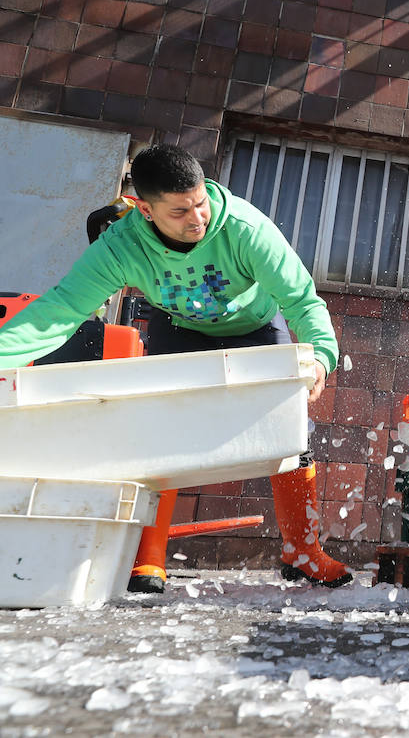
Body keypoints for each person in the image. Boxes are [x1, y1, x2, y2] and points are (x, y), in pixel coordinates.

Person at [0, 144, 352, 591]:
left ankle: (303, 553)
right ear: (145, 209)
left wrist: (321, 353)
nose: (197, 217)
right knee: (160, 434)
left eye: (201, 202)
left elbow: (302, 298)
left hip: (256, 327)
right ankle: (149, 559)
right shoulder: (121, 247)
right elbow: (61, 310)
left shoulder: (244, 229)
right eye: (180, 211)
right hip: (179, 328)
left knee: (289, 434)